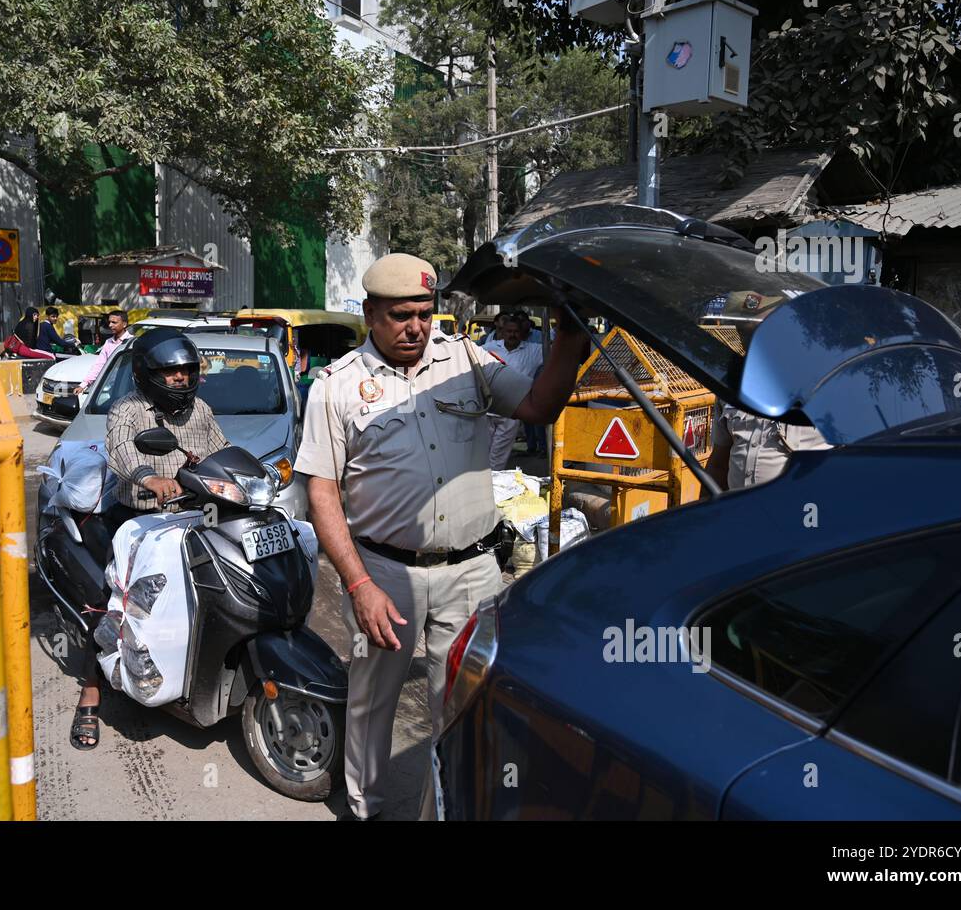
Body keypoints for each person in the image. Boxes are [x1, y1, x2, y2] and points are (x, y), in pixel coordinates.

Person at [293, 252, 589, 819]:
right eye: (401, 315)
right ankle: (369, 807)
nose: (416, 327)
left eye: (425, 313)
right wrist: (357, 586)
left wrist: (572, 338)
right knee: (373, 703)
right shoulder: (336, 387)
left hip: (473, 570)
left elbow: (539, 407)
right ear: (370, 313)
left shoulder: (466, 360)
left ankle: (447, 808)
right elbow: (321, 493)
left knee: (463, 703)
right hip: (384, 575)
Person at [68, 327, 229, 750]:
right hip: (136, 520)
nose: (181, 380)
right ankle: (90, 693)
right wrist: (149, 477)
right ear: (146, 374)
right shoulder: (128, 409)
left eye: (188, 372)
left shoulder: (201, 411)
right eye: (171, 373)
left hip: (190, 516)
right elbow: (121, 451)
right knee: (111, 603)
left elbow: (221, 450)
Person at [703, 291, 832, 491]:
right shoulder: (732, 384)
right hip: (742, 514)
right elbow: (719, 463)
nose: (752, 340)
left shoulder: (824, 382)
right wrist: (707, 512)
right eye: (744, 331)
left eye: (762, 330)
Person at [484, 311, 545, 470]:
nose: (512, 335)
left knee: (498, 458)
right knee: (482, 454)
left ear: (523, 334)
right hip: (487, 408)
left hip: (512, 412)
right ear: (502, 333)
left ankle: (493, 488)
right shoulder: (489, 348)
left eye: (516, 332)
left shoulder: (534, 351)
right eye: (509, 331)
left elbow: (556, 351)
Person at [74, 309, 129, 396]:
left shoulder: (131, 342)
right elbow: (99, 365)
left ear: (124, 324)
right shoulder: (108, 342)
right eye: (109, 322)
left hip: (127, 388)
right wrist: (83, 385)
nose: (110, 325)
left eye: (114, 322)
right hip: (110, 388)